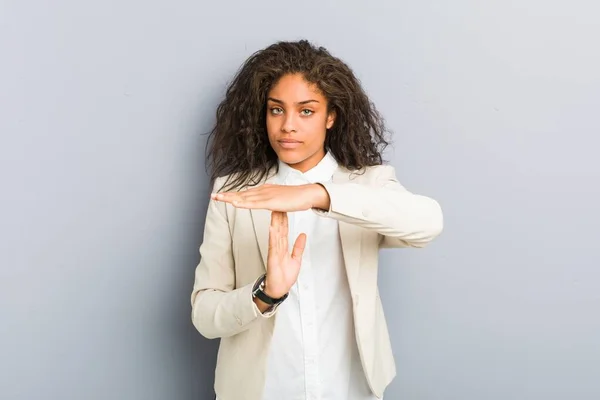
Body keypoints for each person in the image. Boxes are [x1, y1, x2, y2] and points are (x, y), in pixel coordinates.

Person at [190, 40, 443, 400]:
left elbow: (428, 223)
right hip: (261, 390)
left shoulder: (368, 185)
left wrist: (318, 194)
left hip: (351, 388)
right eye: (276, 110)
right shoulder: (233, 194)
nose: (287, 126)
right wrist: (266, 294)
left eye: (305, 111)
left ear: (331, 116)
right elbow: (204, 315)